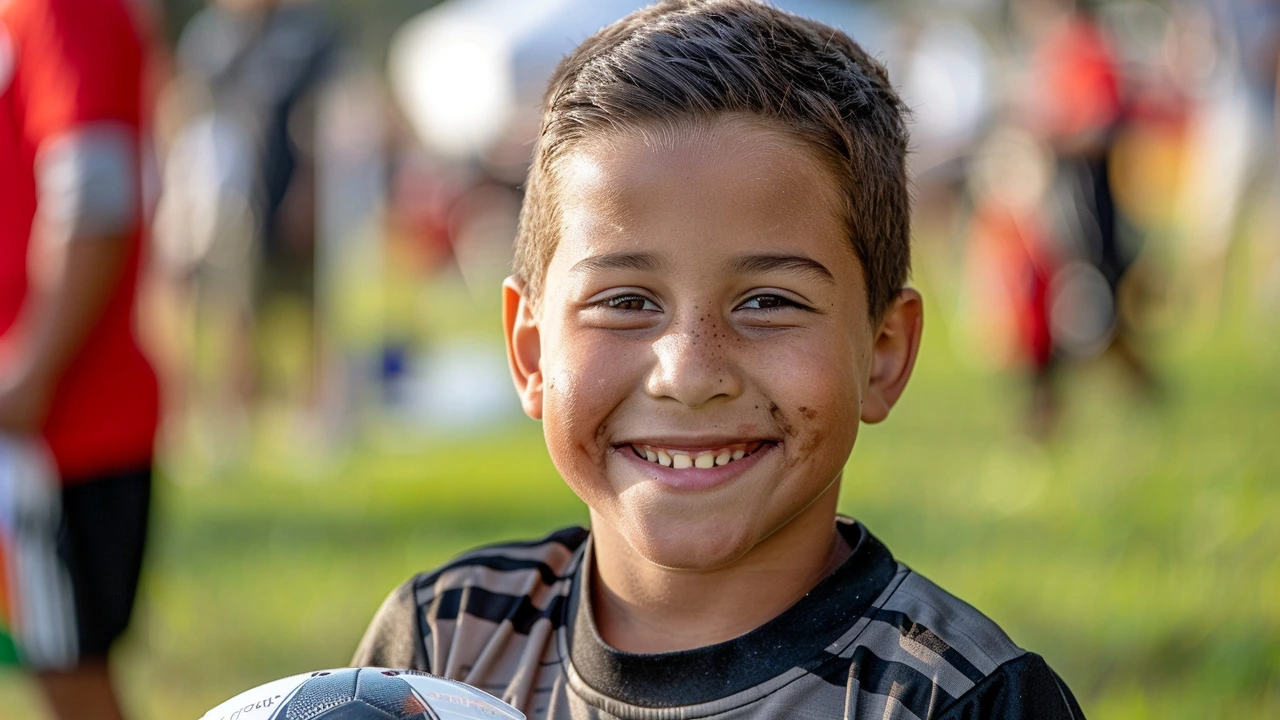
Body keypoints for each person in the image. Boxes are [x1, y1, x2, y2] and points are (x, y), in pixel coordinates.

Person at [353, 2, 1084, 718]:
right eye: (627, 301)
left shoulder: (964, 701)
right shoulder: (440, 652)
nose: (690, 374)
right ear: (532, 350)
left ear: (884, 353)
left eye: (768, 302)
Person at [0, 0, 160, 718]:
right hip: (39, 426)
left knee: (70, 676)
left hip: (61, 432)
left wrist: (30, 372)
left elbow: (94, 201)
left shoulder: (65, 8)